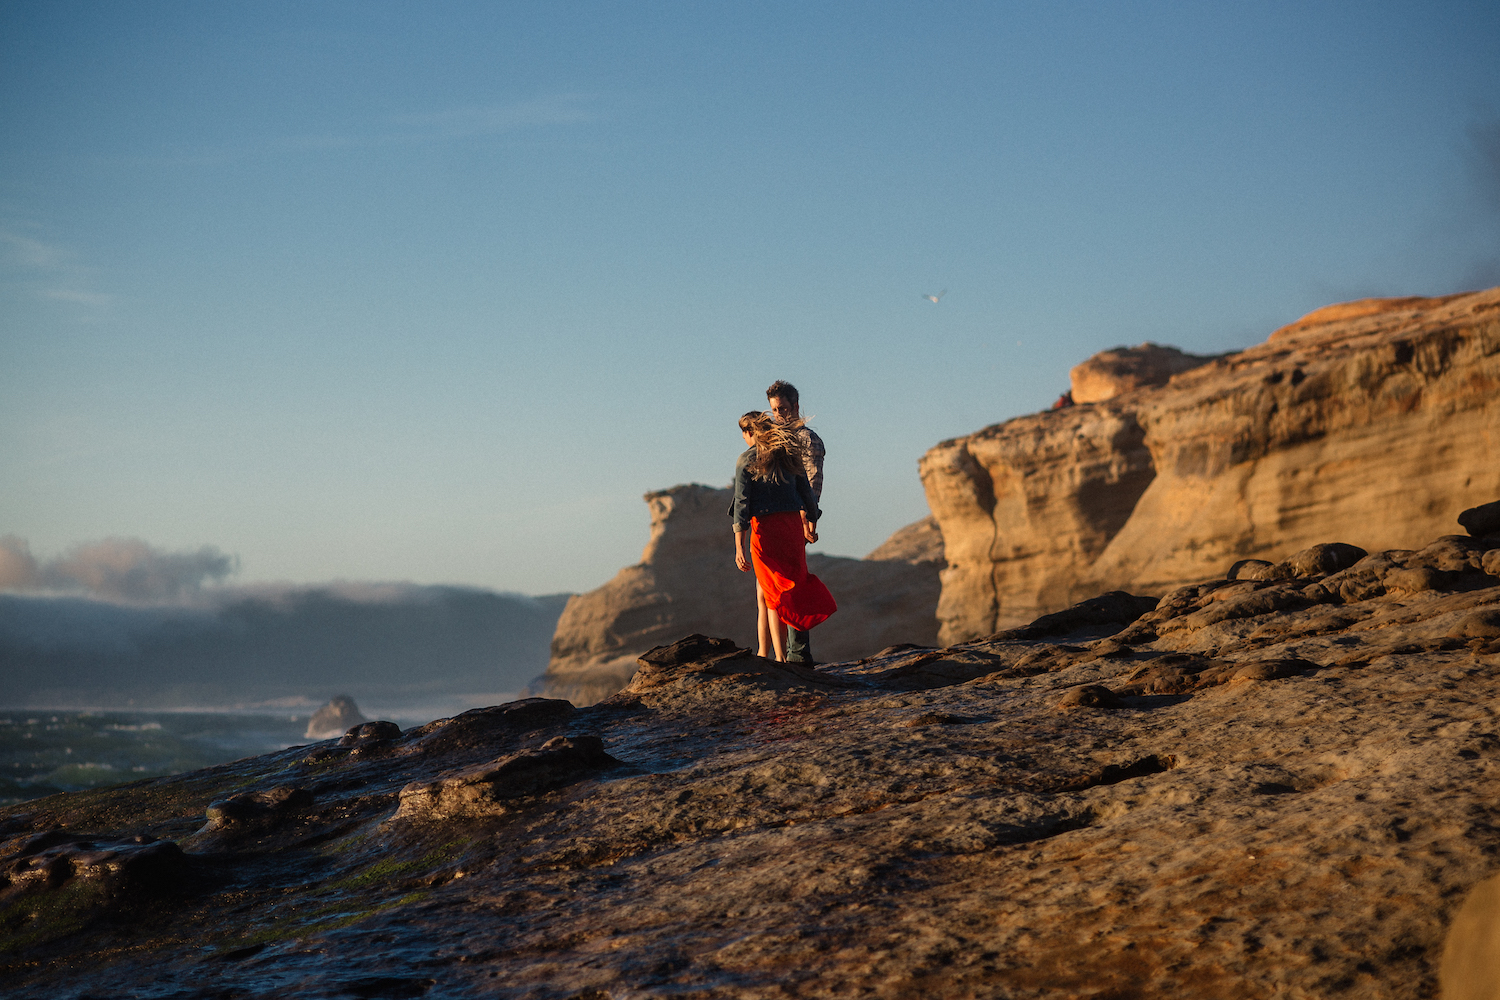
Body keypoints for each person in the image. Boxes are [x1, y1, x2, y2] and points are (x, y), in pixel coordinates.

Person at [731, 411, 836, 662]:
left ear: (749, 433)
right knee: (779, 589)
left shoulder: (746, 459)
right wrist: (810, 522)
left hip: (765, 531)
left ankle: (778, 658)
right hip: (791, 529)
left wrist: (739, 548)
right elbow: (807, 494)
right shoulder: (789, 455)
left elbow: (741, 507)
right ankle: (771, 654)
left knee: (770, 595)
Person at [764, 380, 825, 662]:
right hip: (775, 520)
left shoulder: (806, 439)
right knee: (776, 586)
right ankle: (778, 654)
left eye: (784, 409)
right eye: (775, 410)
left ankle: (798, 654)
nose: (779, 415)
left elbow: (813, 483)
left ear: (796, 406)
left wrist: (808, 518)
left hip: (796, 519)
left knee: (794, 584)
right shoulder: (776, 439)